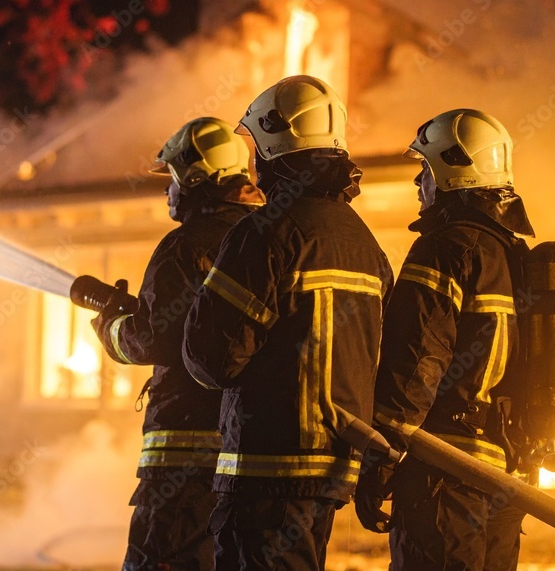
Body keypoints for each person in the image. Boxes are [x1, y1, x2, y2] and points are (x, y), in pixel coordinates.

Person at [182, 75, 393, 571]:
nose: (251, 161)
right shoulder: (364, 242)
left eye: (256, 143)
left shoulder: (262, 232)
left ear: (276, 143)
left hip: (267, 470)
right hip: (333, 470)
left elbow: (213, 360)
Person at [355, 108, 535, 571]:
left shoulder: (445, 248)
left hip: (443, 470)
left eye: (425, 170)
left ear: (451, 175)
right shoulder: (515, 257)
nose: (419, 184)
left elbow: (417, 362)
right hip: (503, 471)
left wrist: (381, 457)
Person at [90, 116, 265, 570]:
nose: (168, 191)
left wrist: (112, 328)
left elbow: (154, 339)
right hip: (249, 455)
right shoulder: (264, 239)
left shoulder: (183, 246)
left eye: (171, 179)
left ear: (193, 179)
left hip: (181, 456)